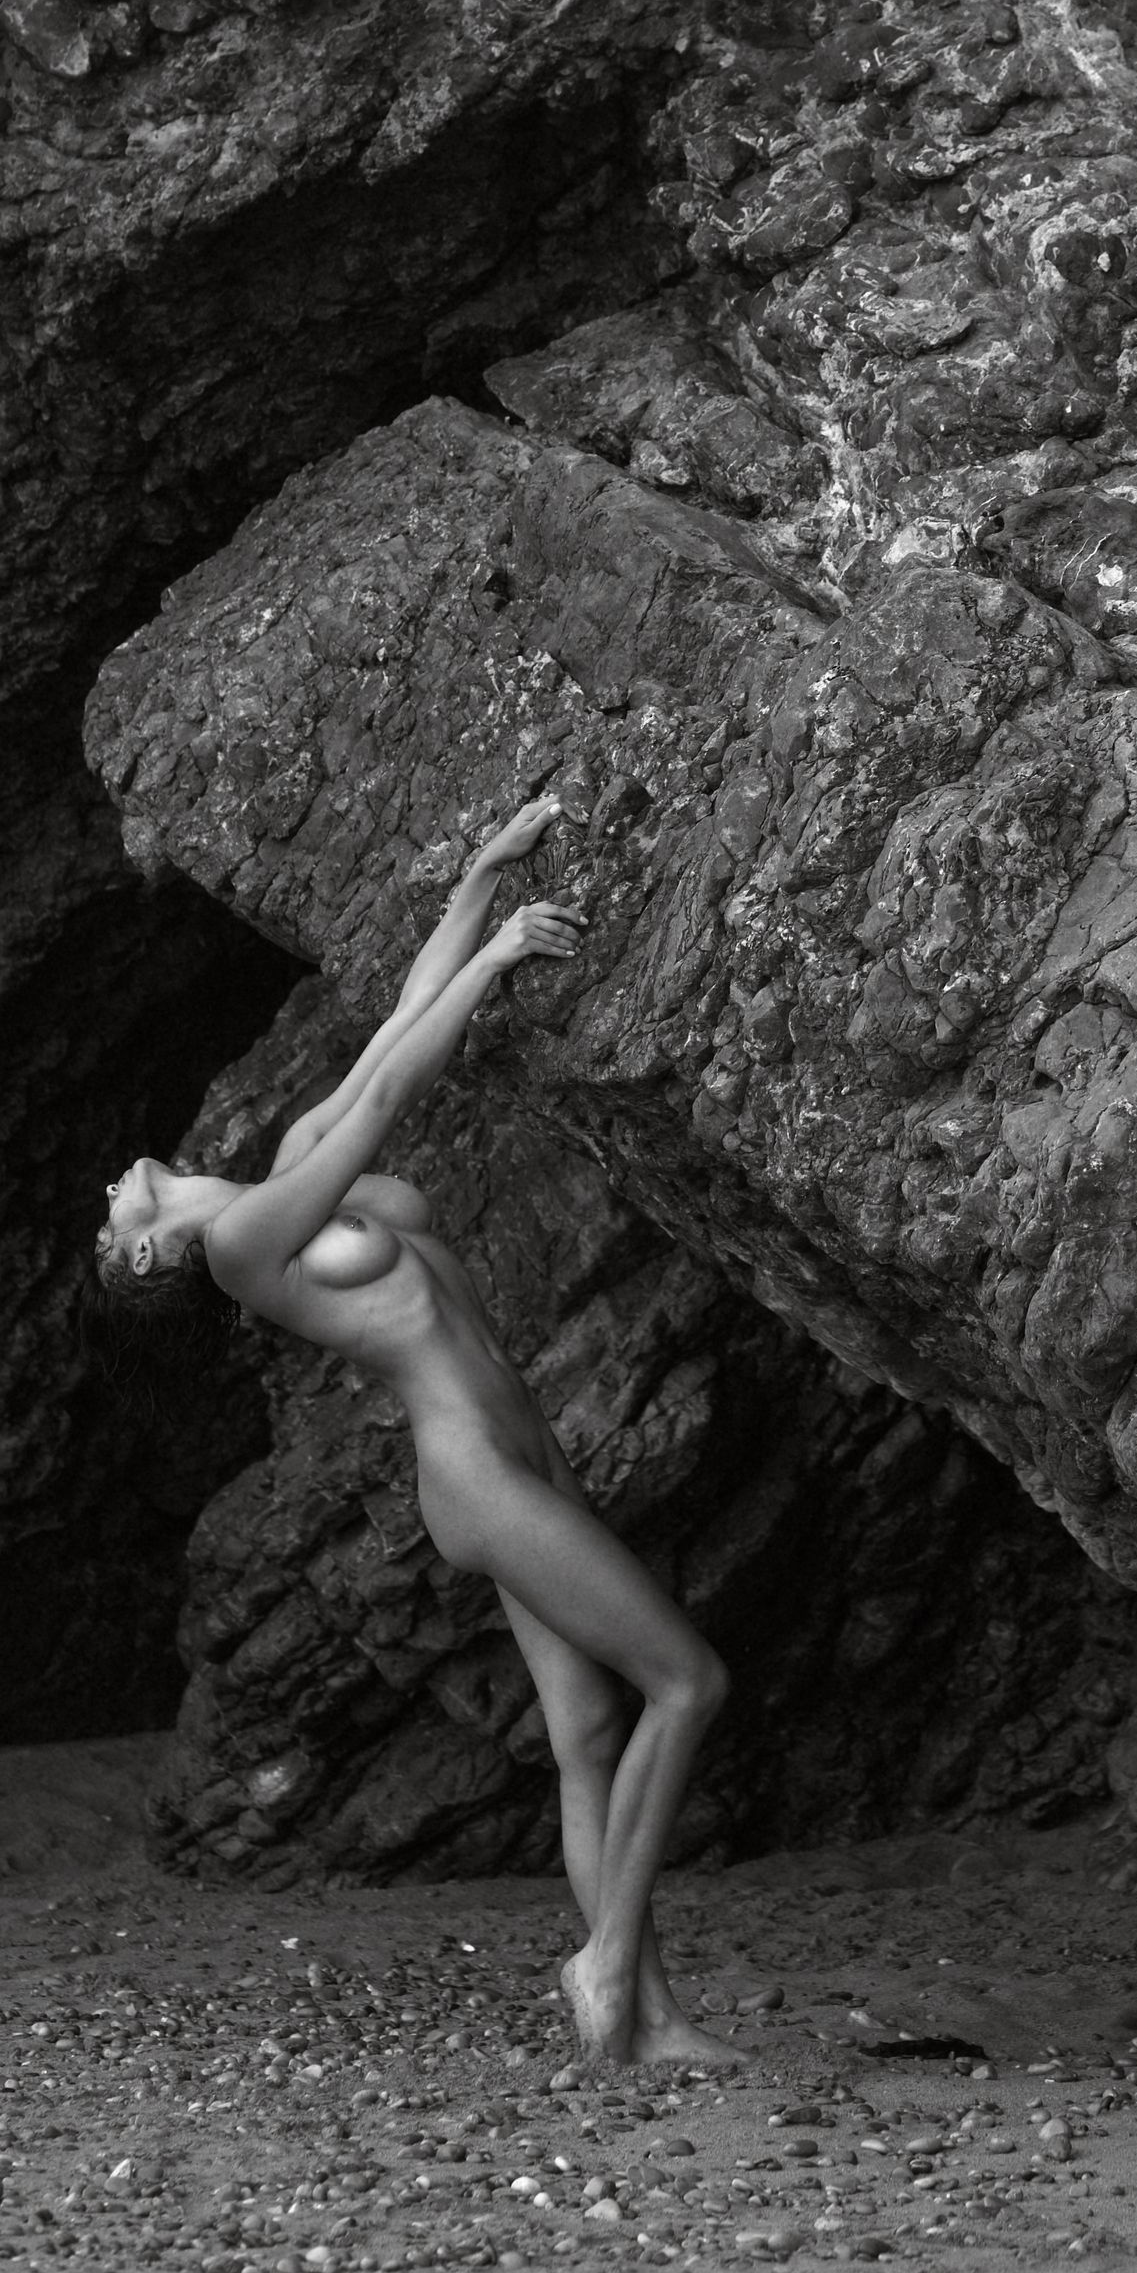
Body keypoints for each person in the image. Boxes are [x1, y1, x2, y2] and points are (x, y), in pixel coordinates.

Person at [95, 796, 732, 2066]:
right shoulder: (240, 1247)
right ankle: (604, 1962)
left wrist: (482, 880)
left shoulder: (282, 1169)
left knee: (588, 1734)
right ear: (148, 1256)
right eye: (105, 1225)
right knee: (689, 1680)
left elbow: (390, 1029)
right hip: (477, 1472)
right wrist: (500, 961)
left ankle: (647, 2022)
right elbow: (393, 1091)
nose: (107, 1195)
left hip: (521, 1446)